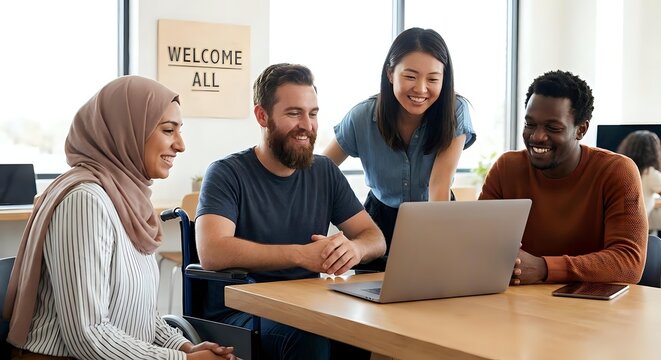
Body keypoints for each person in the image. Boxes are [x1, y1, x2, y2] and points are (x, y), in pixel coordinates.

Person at [3, 76, 236, 360]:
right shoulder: (85, 202)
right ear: (127, 131)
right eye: (168, 130)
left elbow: (140, 316)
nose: (180, 145)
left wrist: (183, 346)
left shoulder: (128, 199)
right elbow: (87, 335)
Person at [196, 63, 386, 360]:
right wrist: (301, 255)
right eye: (293, 113)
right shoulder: (226, 173)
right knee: (310, 339)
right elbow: (212, 251)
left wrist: (355, 249)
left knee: (361, 333)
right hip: (241, 309)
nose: (307, 125)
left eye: (312, 114)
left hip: (306, 303)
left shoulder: (324, 171)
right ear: (262, 116)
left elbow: (374, 237)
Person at [479, 70, 647, 285]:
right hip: (522, 303)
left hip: (592, 308)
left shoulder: (617, 171)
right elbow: (480, 243)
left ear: (581, 130)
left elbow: (628, 263)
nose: (537, 136)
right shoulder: (506, 168)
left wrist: (544, 268)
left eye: (553, 127)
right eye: (530, 124)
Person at [323, 27, 476, 260]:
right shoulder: (362, 116)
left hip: (435, 214)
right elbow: (321, 170)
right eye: (411, 76)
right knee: (368, 293)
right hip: (377, 223)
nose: (421, 89)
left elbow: (439, 184)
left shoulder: (455, 111)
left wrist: (439, 246)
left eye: (433, 79)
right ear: (390, 74)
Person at [617, 130, 661, 230]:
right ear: (653, 152)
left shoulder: (620, 169)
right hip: (635, 230)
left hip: (616, 225)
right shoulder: (649, 172)